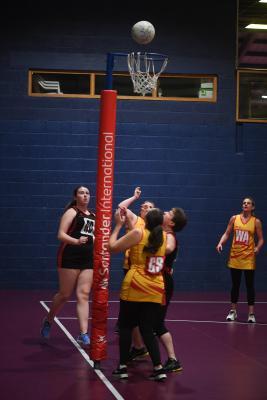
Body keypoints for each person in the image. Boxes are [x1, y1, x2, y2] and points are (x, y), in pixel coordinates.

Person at [109, 207, 168, 381]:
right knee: (147, 329)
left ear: (146, 220)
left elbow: (112, 247)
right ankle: (158, 367)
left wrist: (118, 226)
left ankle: (122, 366)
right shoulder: (164, 236)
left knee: (126, 326)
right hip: (156, 286)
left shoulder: (138, 233)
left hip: (136, 285)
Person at [40, 186, 95, 346]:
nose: (85, 195)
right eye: (82, 193)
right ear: (75, 196)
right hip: (70, 256)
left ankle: (83, 333)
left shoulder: (93, 216)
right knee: (65, 294)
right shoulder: (72, 212)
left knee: (83, 294)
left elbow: (94, 237)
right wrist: (76, 241)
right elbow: (61, 234)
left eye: (87, 193)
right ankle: (49, 319)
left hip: (87, 259)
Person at [115, 187, 154, 361]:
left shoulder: (155, 227)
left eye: (148, 206)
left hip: (148, 271)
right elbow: (121, 207)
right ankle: (137, 342)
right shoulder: (135, 220)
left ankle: (140, 341)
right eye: (143, 206)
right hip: (131, 266)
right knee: (131, 306)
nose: (144, 207)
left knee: (141, 310)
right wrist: (134, 197)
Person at [216, 197, 264, 323]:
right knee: (235, 285)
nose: (245, 204)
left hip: (249, 258)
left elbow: (261, 239)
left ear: (252, 207)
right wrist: (221, 243)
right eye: (244, 203)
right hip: (235, 257)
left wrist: (258, 248)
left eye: (248, 203)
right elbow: (227, 233)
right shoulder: (234, 218)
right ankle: (233, 311)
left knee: (249, 286)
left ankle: (251, 314)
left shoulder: (256, 222)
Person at [153, 207, 187, 373]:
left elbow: (168, 248)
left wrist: (151, 245)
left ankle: (173, 359)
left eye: (168, 213)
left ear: (171, 222)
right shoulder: (160, 232)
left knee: (157, 323)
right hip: (155, 280)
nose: (164, 213)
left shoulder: (170, 236)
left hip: (163, 283)